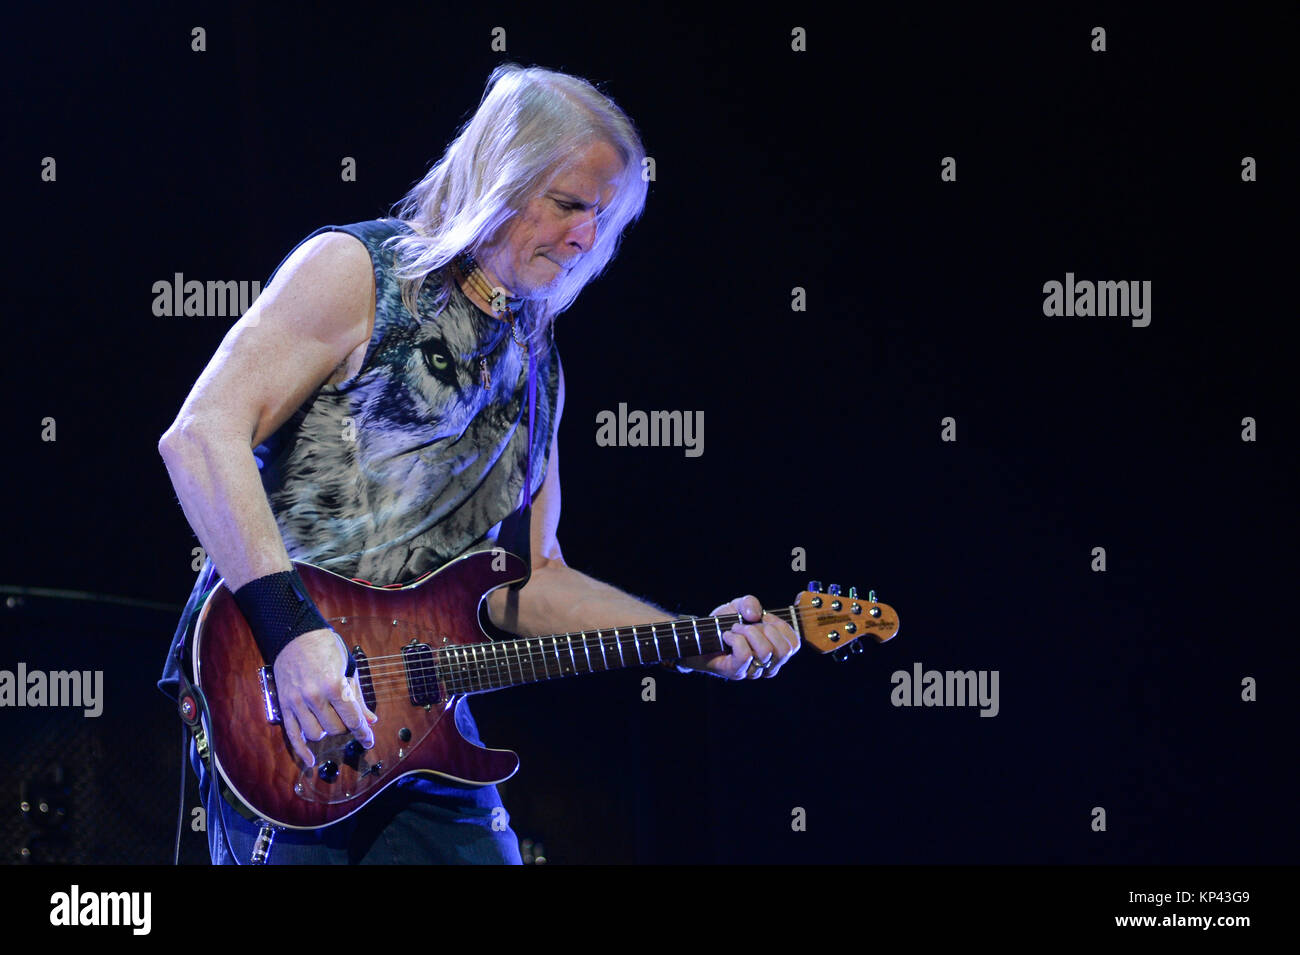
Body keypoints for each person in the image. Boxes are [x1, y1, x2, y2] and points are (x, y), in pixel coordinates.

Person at [156, 62, 799, 865]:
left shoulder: (538, 364)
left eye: (603, 219)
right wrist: (291, 636)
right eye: (568, 206)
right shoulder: (359, 272)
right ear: (499, 178)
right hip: (280, 700)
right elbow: (201, 435)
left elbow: (533, 578)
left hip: (425, 724)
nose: (586, 239)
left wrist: (686, 637)